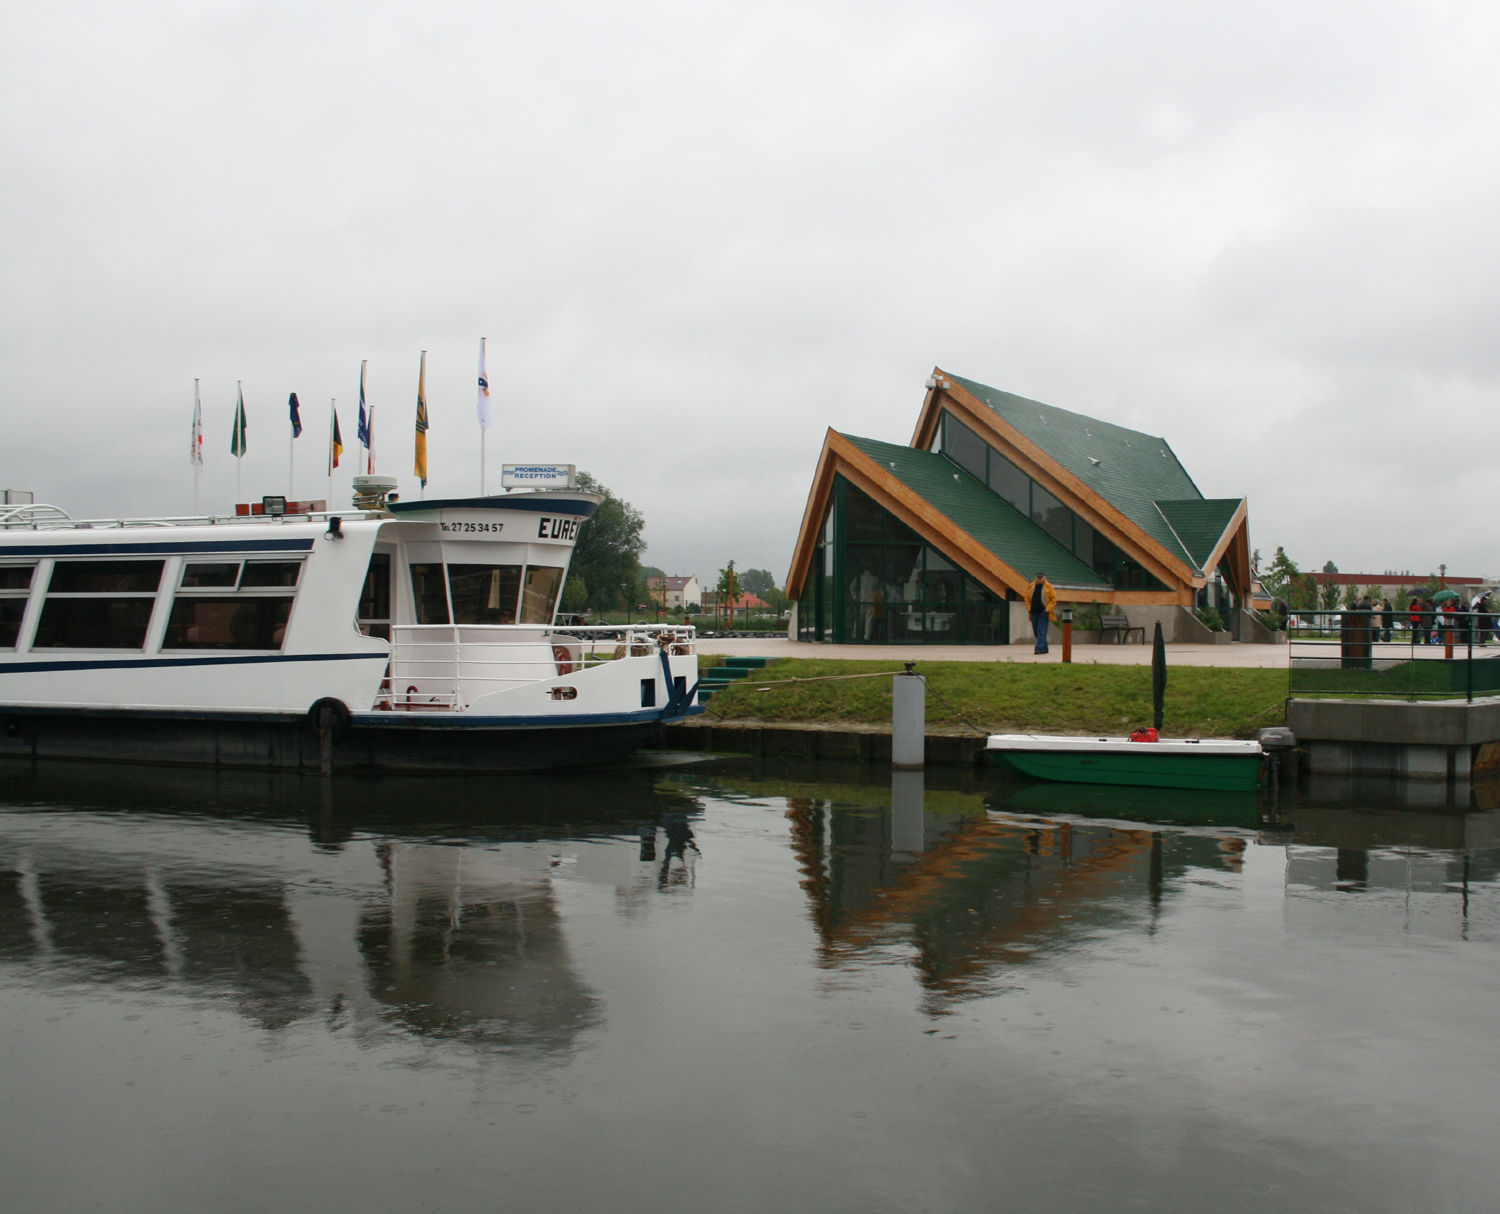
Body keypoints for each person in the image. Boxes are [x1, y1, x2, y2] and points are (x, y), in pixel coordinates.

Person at [1028, 571, 1057, 655]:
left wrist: (1047, 609)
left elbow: (1053, 600)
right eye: (1038, 577)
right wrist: (1029, 609)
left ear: (1044, 578)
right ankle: (1045, 648)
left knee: (1041, 631)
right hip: (1033, 612)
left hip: (1043, 612)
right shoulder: (1032, 586)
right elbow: (1027, 598)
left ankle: (1038, 648)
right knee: (1036, 632)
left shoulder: (1049, 587)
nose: (1039, 579)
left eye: (1041, 577)